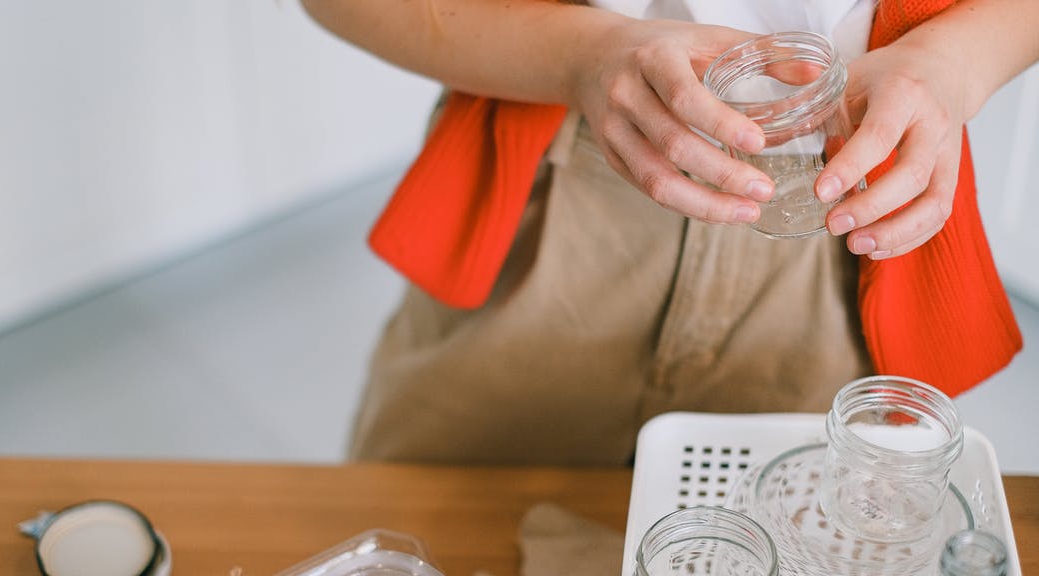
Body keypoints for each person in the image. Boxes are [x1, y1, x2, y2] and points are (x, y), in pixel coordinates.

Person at [301, 0, 1038, 465]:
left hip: (848, 222)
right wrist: (579, 53)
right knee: (434, 542)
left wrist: (954, 62)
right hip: (556, 183)